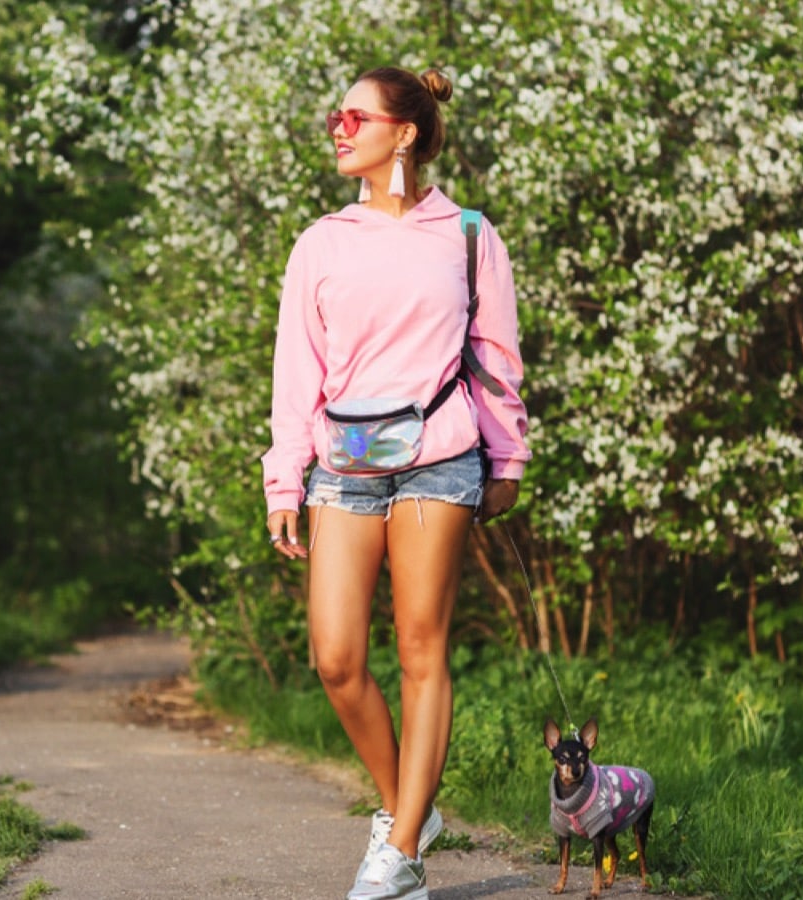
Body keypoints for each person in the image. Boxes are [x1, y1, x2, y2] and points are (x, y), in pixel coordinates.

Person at [262, 66, 530, 900]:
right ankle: (404, 808)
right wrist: (283, 478)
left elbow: (496, 358)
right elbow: (294, 372)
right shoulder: (321, 241)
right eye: (334, 117)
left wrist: (507, 458)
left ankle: (403, 847)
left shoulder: (470, 235)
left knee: (422, 649)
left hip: (440, 460)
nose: (338, 129)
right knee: (336, 657)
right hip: (342, 467)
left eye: (354, 116)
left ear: (403, 132)